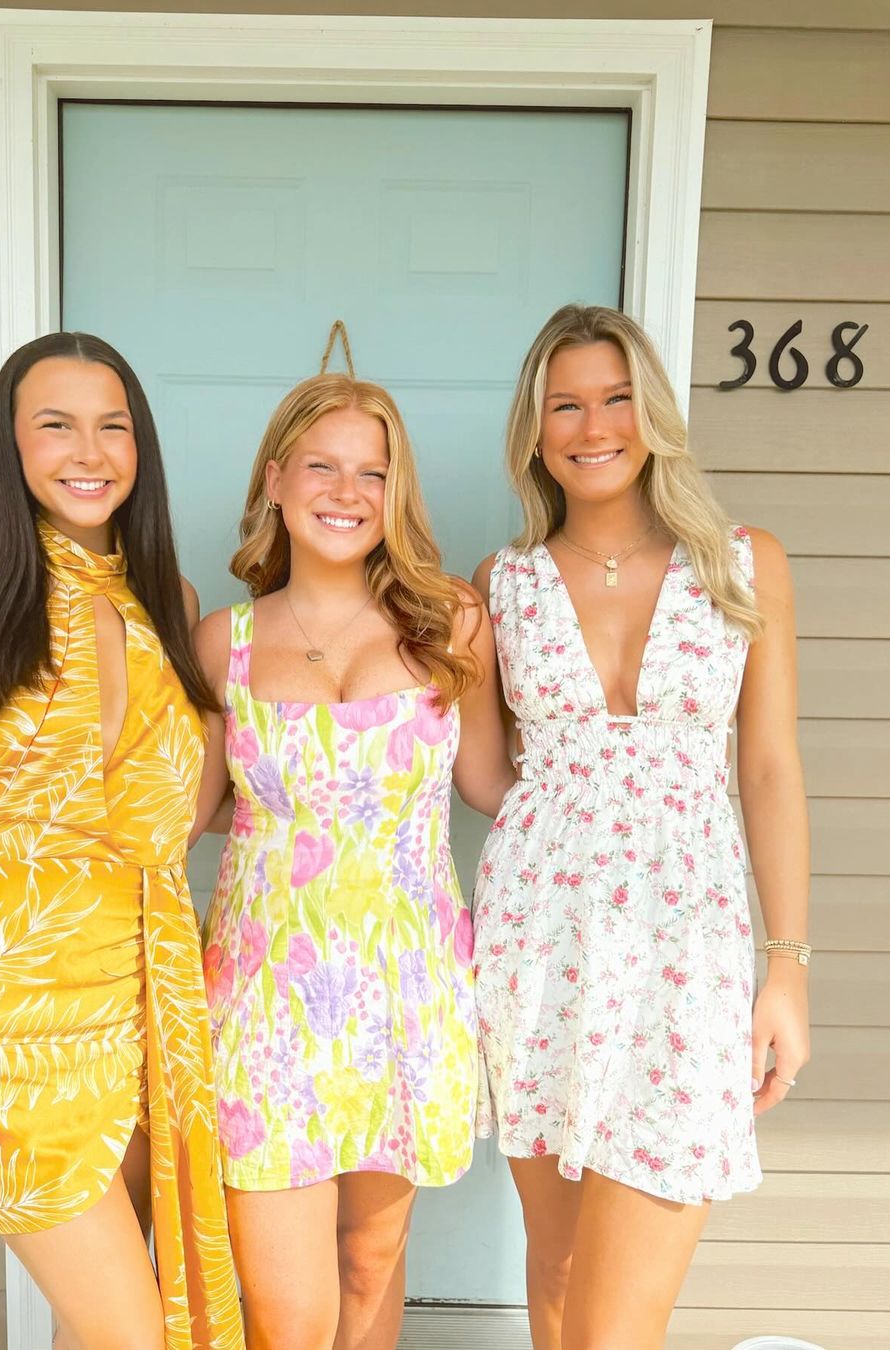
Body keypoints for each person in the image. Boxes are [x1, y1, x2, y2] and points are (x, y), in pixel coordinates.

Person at [0, 332, 244, 1350]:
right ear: (11, 446)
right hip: (10, 1017)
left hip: (148, 1002)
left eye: (113, 426)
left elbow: (173, 808)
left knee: (98, 1327)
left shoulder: (172, 606)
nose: (89, 451)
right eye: (56, 425)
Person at [471, 304, 811, 1349]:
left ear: (652, 413)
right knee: (561, 1271)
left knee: (618, 1323)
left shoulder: (743, 563)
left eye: (616, 399)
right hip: (538, 944)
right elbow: (486, 779)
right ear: (535, 430)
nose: (594, 426)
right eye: (565, 405)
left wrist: (787, 967)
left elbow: (769, 770)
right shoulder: (501, 585)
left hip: (687, 949)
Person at [190, 369, 516, 1350]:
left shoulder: (453, 623)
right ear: (275, 481)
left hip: (408, 994)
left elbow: (494, 785)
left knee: (371, 1264)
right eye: (321, 467)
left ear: (394, 491)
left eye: (372, 473)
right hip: (265, 1001)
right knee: (289, 1318)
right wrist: (7, 828)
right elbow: (185, 814)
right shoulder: (220, 643)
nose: (347, 492)